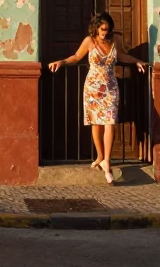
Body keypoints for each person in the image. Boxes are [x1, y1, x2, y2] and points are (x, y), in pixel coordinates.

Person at [48, 11, 146, 184]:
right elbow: (77, 57)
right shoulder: (89, 41)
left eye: (108, 29)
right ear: (96, 28)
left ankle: (107, 161)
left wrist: (136, 61)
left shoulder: (116, 40)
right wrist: (61, 62)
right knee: (96, 123)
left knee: (110, 122)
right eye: (102, 29)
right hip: (93, 88)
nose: (105, 33)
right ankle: (100, 156)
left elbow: (122, 56)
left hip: (110, 87)